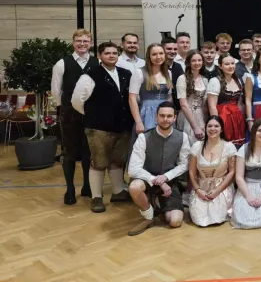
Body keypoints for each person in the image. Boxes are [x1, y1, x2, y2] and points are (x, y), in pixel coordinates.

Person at [71, 41, 133, 212]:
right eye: (107, 53)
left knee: (117, 161)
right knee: (98, 162)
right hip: (98, 128)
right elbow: (76, 101)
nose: (111, 56)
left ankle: (118, 191)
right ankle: (96, 197)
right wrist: (93, 115)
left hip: (123, 126)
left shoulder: (126, 74)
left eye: (114, 53)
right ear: (99, 55)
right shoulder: (90, 75)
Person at [51, 28, 100, 205]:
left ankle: (87, 185)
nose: (82, 44)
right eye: (79, 41)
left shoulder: (97, 62)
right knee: (69, 152)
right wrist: (66, 108)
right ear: (73, 43)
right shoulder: (61, 64)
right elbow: (56, 91)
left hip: (91, 114)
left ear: (90, 43)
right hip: (69, 114)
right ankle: (70, 189)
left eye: (85, 41)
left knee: (88, 151)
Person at [126, 102, 189, 236]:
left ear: (174, 118)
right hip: (146, 180)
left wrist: (166, 177)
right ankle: (149, 216)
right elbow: (133, 169)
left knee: (175, 221)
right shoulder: (143, 138)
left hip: (169, 182)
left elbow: (184, 164)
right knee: (134, 187)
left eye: (169, 116)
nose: (165, 119)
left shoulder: (182, 137)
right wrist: (157, 180)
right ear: (156, 117)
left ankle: (159, 205)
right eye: (162, 116)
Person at [188, 116, 237, 227]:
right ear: (205, 128)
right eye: (209, 126)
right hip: (201, 186)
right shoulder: (197, 146)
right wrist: (198, 190)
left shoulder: (229, 147)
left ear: (221, 129)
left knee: (217, 217)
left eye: (216, 126)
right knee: (199, 218)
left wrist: (217, 191)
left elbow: (232, 172)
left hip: (221, 187)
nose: (212, 129)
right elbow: (191, 171)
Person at [128, 43, 172, 155]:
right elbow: (132, 98)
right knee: (147, 147)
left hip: (165, 114)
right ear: (149, 56)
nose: (158, 57)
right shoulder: (139, 72)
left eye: (161, 53)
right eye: (154, 54)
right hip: (147, 114)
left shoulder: (168, 73)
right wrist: (138, 122)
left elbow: (169, 97)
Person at [207, 53, 246, 147]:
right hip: (222, 117)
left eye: (232, 63)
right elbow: (212, 106)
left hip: (237, 118)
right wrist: (216, 124)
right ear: (220, 66)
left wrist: (242, 119)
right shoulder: (215, 81)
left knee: (238, 146)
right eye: (227, 64)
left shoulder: (237, 80)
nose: (231, 66)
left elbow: (240, 103)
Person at [176, 50, 208, 145]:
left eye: (199, 60)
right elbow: (183, 104)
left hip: (201, 115)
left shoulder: (204, 79)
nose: (197, 63)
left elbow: (205, 104)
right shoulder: (182, 79)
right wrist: (195, 127)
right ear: (188, 62)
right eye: (194, 60)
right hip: (187, 115)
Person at [161, 37, 184, 111]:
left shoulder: (178, 66)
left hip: (179, 107)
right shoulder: (158, 67)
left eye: (175, 49)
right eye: (169, 49)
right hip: (163, 107)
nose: (173, 51)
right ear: (162, 49)